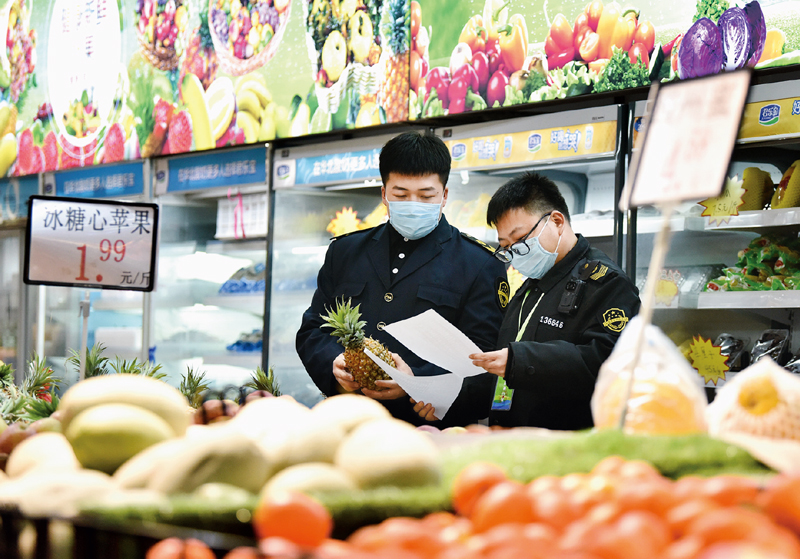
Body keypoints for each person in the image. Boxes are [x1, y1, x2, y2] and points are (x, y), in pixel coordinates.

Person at [296, 131, 508, 426]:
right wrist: (334, 363)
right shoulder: (345, 252)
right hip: (347, 420)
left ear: (445, 195)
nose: (413, 204)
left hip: (427, 430)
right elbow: (313, 329)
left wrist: (417, 382)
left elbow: (488, 361)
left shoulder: (479, 263)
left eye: (426, 196)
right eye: (401, 195)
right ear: (384, 194)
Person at [414, 172, 640, 429]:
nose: (515, 253)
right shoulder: (530, 286)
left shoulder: (606, 284)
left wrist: (519, 360)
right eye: (506, 246)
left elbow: (606, 363)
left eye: (520, 239)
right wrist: (446, 399)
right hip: (512, 438)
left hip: (567, 443)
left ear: (556, 221)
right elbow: (500, 373)